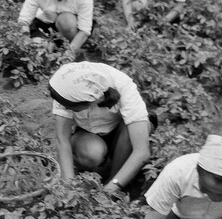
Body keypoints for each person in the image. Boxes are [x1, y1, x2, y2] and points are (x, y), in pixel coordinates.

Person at [49, 61, 151, 193]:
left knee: (136, 129)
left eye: (70, 107)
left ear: (92, 100)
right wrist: (69, 186)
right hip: (89, 134)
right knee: (92, 153)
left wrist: (112, 187)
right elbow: (62, 141)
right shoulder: (67, 86)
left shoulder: (122, 86)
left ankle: (113, 179)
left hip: (121, 134)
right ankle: (81, 168)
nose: (65, 107)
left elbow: (142, 152)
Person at [17, 0, 93, 60]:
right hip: (43, 26)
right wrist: (25, 37)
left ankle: (67, 48)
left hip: (69, 30)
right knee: (39, 52)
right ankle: (51, 46)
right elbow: (24, 18)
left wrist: (68, 54)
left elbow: (84, 30)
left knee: (66, 21)